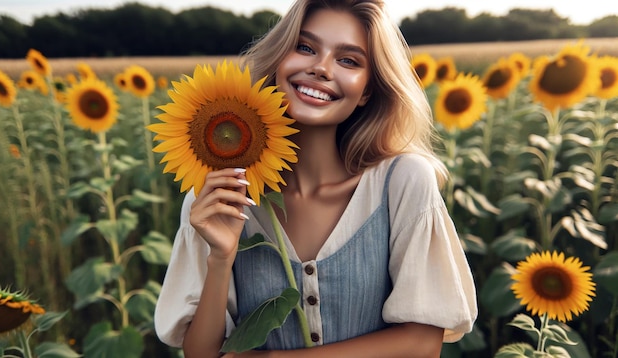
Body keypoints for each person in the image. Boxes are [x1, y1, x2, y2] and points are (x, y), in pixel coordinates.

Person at [154, 0, 477, 357]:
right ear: (280, 60)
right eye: (305, 47)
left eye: (348, 60)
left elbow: (422, 344)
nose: (321, 68)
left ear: (367, 90)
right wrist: (220, 257)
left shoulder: (401, 181)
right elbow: (201, 354)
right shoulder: (217, 195)